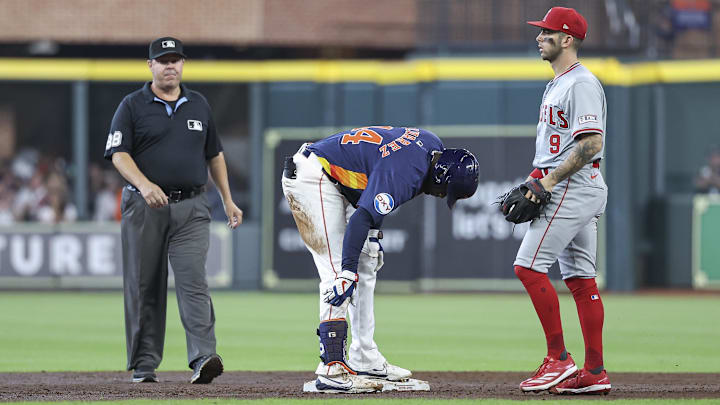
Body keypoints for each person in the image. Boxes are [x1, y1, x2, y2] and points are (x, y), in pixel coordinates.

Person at [281, 126, 479, 393]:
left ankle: (364, 356)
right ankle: (331, 370)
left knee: (367, 261)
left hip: (338, 181)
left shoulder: (430, 145)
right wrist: (348, 272)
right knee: (337, 272)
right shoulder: (409, 172)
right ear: (441, 175)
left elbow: (376, 180)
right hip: (315, 176)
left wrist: (370, 240)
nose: (443, 195)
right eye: (447, 190)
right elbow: (364, 215)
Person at [104, 37, 243, 384]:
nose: (170, 66)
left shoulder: (198, 104)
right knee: (144, 285)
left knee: (194, 281)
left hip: (192, 205)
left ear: (183, 64)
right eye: (163, 60)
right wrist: (145, 184)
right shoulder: (132, 105)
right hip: (144, 205)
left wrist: (227, 198)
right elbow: (119, 154)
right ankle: (144, 364)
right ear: (150, 65)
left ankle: (203, 358)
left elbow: (215, 155)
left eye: (175, 59)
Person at [511, 7, 611, 395]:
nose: (539, 37)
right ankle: (595, 372)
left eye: (547, 32)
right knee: (581, 279)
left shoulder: (580, 84)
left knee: (528, 268)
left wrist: (548, 181)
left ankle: (559, 359)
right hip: (572, 184)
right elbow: (556, 147)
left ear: (567, 39)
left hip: (573, 186)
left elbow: (591, 143)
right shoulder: (559, 82)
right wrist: (537, 178)